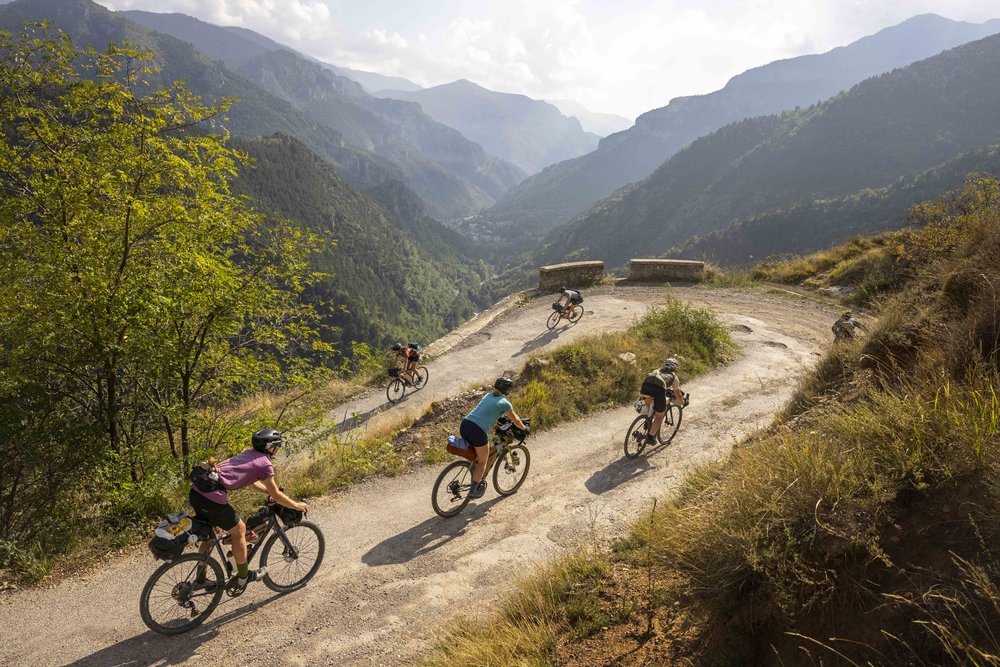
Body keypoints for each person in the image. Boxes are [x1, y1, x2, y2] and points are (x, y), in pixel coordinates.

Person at [189, 428, 308, 587]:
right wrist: (296, 505)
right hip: (212, 498)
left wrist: (269, 491)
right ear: (271, 447)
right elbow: (276, 495)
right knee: (239, 530)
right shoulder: (265, 464)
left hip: (197, 492)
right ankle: (243, 576)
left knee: (211, 535)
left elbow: (252, 481)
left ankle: (200, 580)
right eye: (277, 446)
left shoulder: (249, 454)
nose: (278, 449)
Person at [461, 376, 528, 499]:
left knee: (478, 454)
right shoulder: (505, 403)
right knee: (483, 462)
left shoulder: (488, 395)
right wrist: (525, 429)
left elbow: (487, 412)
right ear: (507, 390)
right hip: (477, 430)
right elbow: (516, 420)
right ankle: (473, 491)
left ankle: (474, 473)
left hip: (465, 425)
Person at [639, 358, 684, 445]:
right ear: (675, 368)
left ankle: (648, 420)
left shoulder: (656, 371)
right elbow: (677, 392)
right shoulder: (674, 377)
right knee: (660, 416)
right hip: (658, 390)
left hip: (645, 387)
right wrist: (681, 402)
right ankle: (650, 437)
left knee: (650, 403)